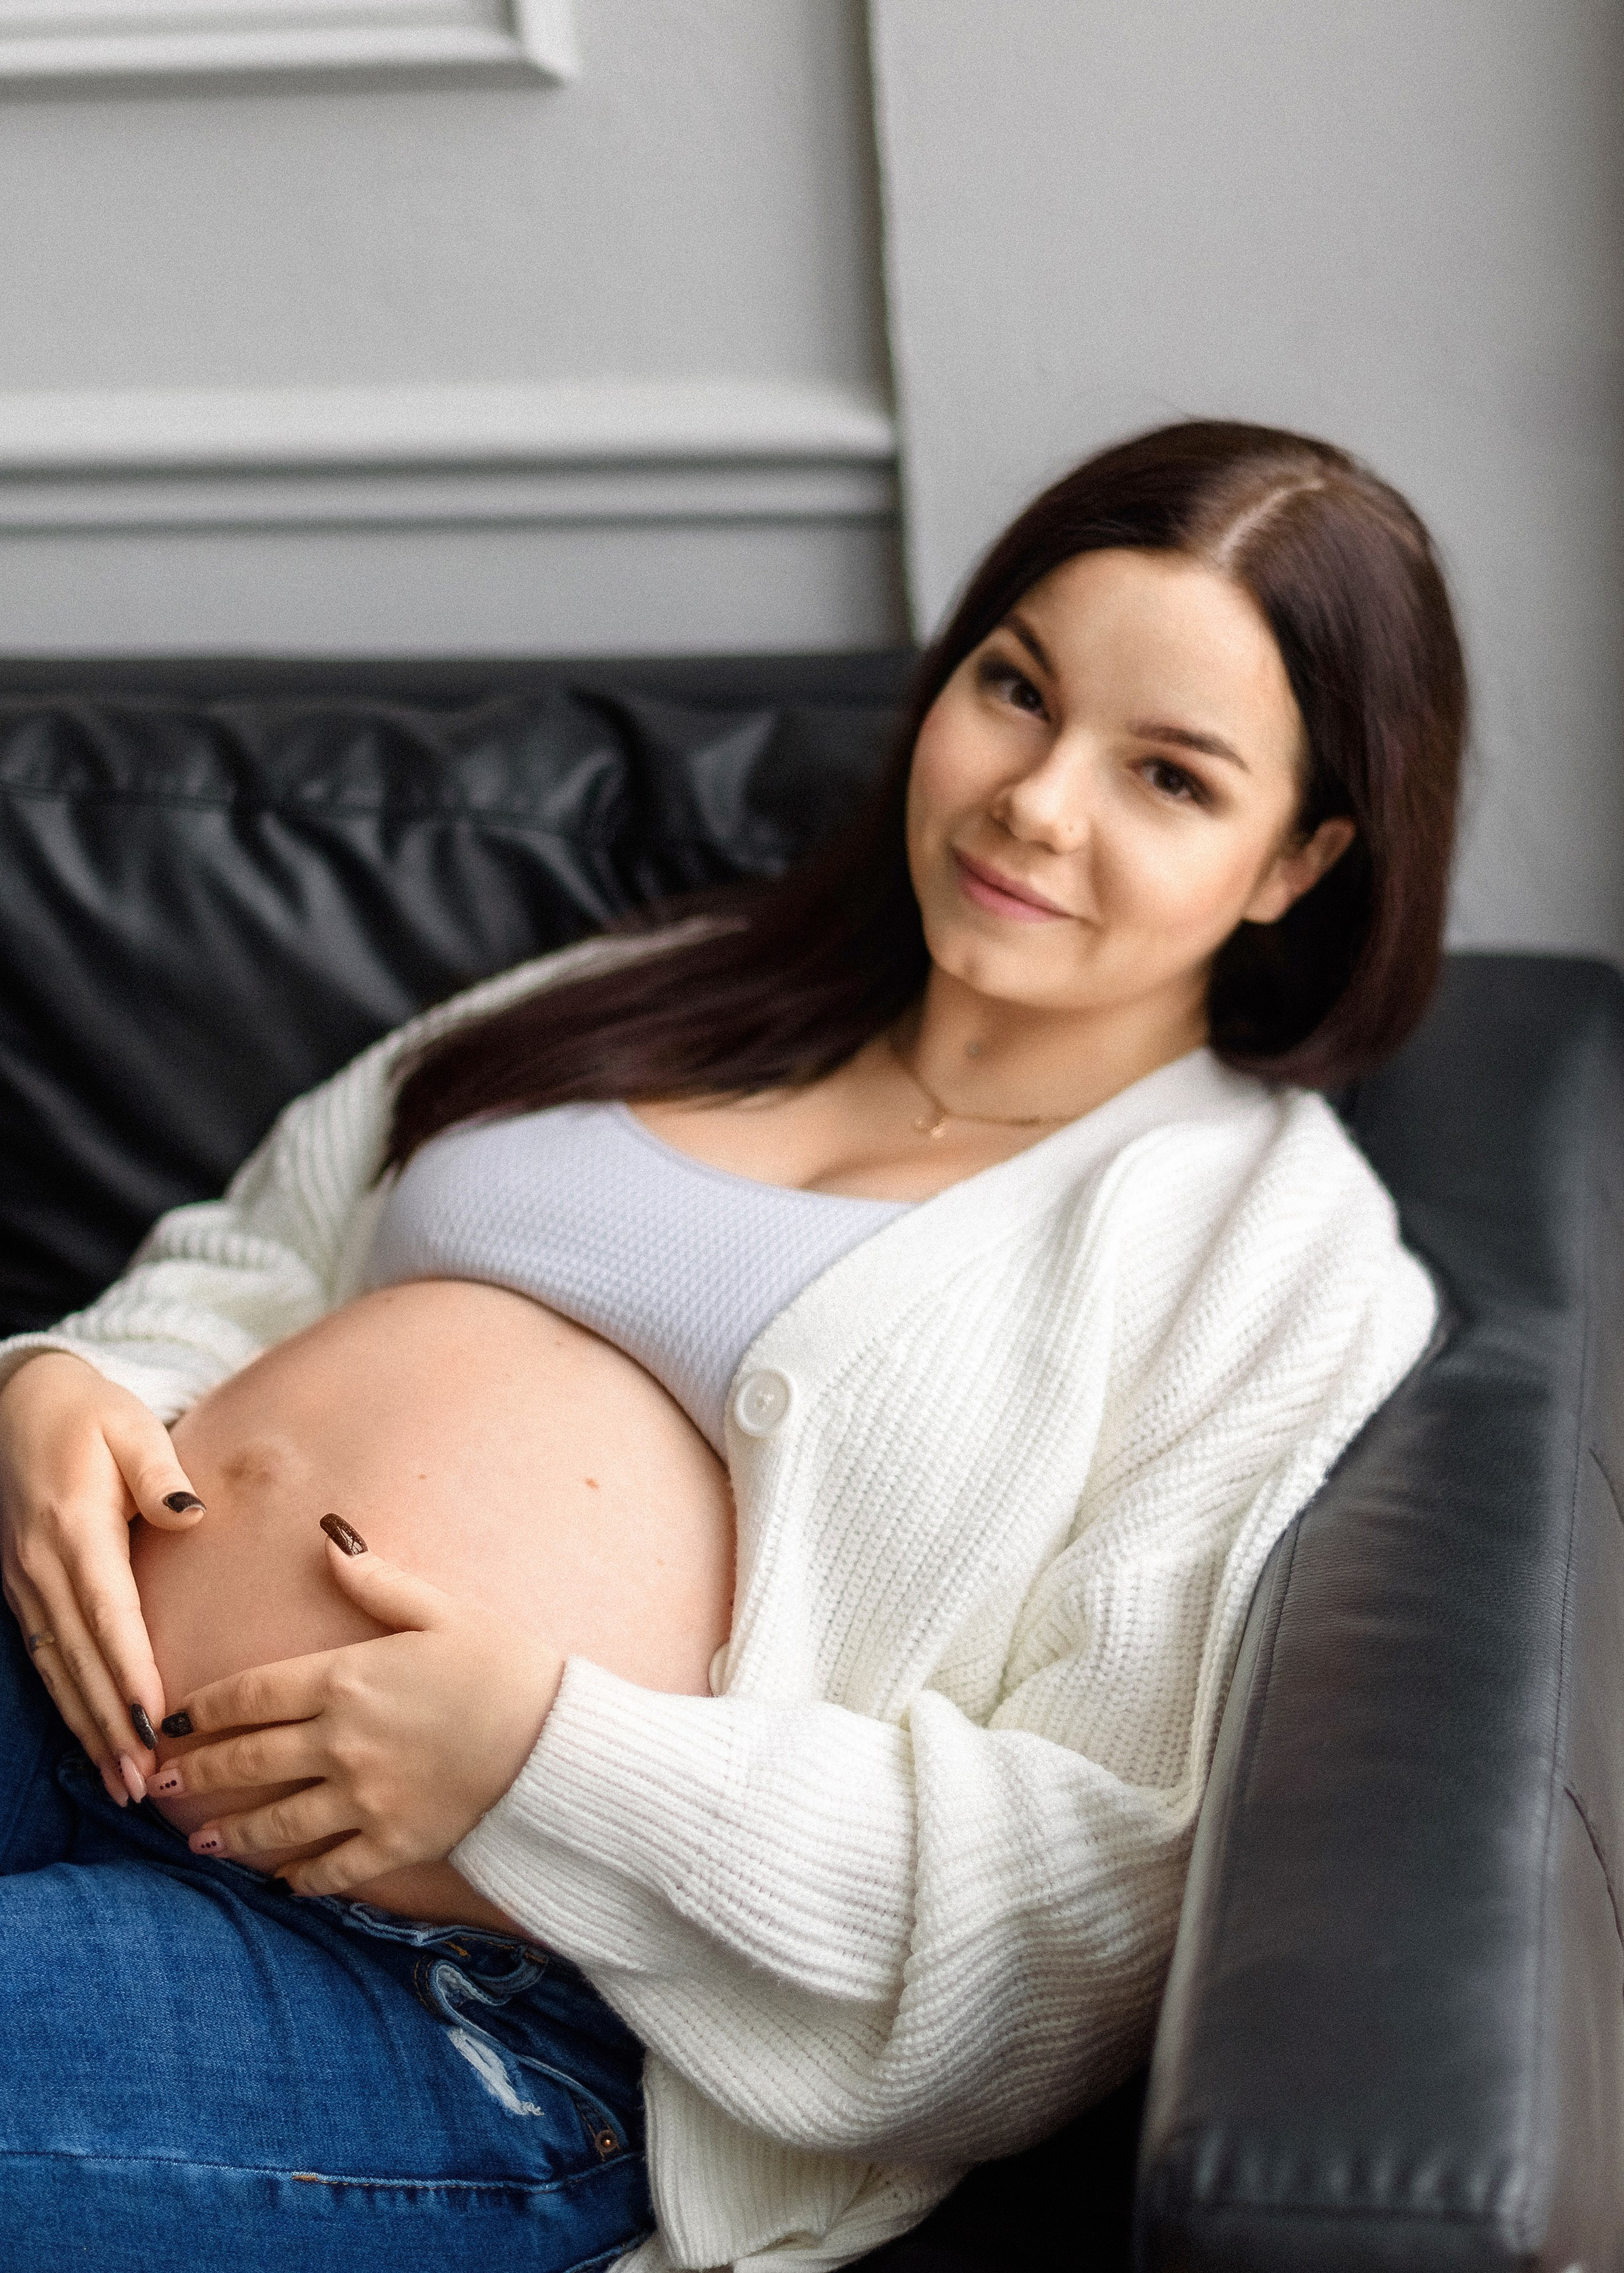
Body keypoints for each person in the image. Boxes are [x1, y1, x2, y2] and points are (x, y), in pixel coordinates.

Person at [0, 420, 1464, 2272]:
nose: (1036, 803)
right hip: (64, 1664)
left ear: (1297, 858)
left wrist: (544, 1762)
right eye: (1018, 689)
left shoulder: (1267, 1259)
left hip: (458, 1980)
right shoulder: (677, 978)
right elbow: (258, 1256)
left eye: (1168, 775)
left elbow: (1088, 1900)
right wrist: (66, 1385)